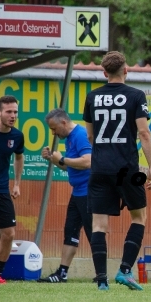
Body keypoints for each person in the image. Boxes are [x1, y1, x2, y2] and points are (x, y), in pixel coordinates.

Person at [83, 51, 151, 291]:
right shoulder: (135, 95)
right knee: (139, 217)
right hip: (126, 167)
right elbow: (144, 133)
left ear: (104, 73)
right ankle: (125, 270)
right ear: (126, 70)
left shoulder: (92, 97)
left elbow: (90, 136)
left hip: (100, 168)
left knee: (98, 225)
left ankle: (101, 280)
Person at [37, 109, 92, 283]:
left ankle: (101, 275)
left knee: (94, 234)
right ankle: (62, 273)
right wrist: (54, 160)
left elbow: (88, 161)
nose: (53, 133)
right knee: (70, 231)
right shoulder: (69, 138)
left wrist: (62, 159)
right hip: (77, 192)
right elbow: (70, 166)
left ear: (63, 123)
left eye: (54, 128)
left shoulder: (81, 134)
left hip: (89, 192)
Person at [0, 95, 24, 284]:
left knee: (9, 233)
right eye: (9, 112)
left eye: (15, 112)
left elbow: (19, 157)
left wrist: (17, 183)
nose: (13, 115)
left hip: (1, 191)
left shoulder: (17, 136)